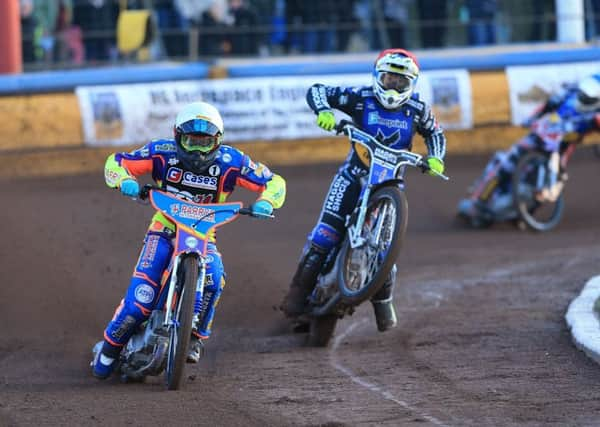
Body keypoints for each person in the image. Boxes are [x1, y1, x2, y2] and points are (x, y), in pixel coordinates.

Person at [92, 101, 286, 379]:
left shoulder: (233, 162)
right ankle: (109, 350)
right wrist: (124, 181)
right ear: (176, 137)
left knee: (215, 278)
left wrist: (267, 201)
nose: (197, 150)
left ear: (217, 141)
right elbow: (117, 162)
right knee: (139, 303)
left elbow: (275, 182)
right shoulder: (160, 152)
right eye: (190, 141)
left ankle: (194, 337)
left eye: (204, 143)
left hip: (202, 235)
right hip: (164, 229)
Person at [280, 48, 446, 332]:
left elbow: (435, 133)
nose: (393, 86)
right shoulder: (360, 97)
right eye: (388, 79)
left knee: (384, 248)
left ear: (411, 84)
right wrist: (325, 112)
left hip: (390, 186)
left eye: (400, 81)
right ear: (376, 77)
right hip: (353, 176)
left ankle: (384, 303)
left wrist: (436, 158)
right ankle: (296, 297)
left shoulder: (418, 109)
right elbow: (318, 91)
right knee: (325, 234)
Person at [458, 74, 600, 221]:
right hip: (541, 134)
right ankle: (478, 202)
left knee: (551, 189)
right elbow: (548, 104)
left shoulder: (596, 115)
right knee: (504, 161)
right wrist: (532, 119)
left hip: (561, 149)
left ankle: (526, 215)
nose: (583, 98)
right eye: (582, 94)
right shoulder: (571, 91)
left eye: (588, 98)